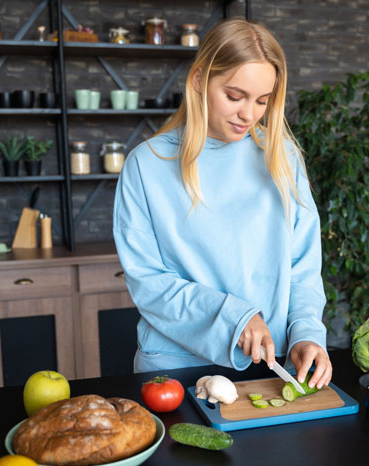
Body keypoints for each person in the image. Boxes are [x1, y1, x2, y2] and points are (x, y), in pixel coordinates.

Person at [113, 18, 332, 390]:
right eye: (235, 96)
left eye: (263, 101)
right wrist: (234, 318)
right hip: (174, 369)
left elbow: (302, 267)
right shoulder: (146, 165)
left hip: (271, 364)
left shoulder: (282, 158)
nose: (249, 114)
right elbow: (149, 282)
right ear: (199, 80)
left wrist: (307, 334)